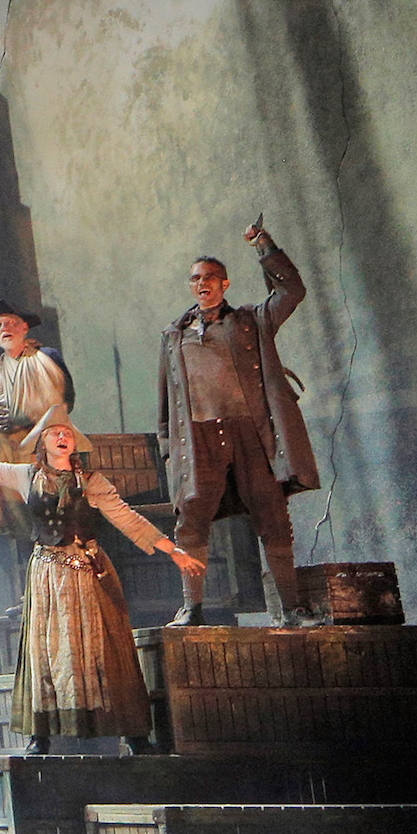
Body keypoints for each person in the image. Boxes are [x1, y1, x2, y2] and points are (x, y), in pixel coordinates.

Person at [0, 408, 204, 748]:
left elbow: (126, 517)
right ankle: (40, 736)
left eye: (67, 433)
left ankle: (134, 734)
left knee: (106, 646)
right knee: (46, 649)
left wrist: (172, 550)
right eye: (55, 433)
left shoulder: (91, 481)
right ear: (42, 443)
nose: (63, 437)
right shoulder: (27, 476)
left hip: (88, 569)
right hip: (48, 574)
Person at [160, 223, 319, 624]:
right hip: (198, 438)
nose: (203, 283)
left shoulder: (250, 320)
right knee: (191, 520)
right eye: (196, 278)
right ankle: (192, 608)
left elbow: (291, 291)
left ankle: (291, 608)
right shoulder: (174, 336)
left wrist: (264, 245)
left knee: (272, 516)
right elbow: (166, 404)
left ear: (224, 284)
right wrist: (168, 452)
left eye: (210, 277)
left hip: (249, 433)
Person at [0, 300, 75, 548]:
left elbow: (66, 400)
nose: (5, 328)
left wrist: (33, 421)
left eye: (11, 323)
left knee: (48, 506)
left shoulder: (46, 358)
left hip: (39, 445)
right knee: (18, 516)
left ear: (24, 328)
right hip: (6, 449)